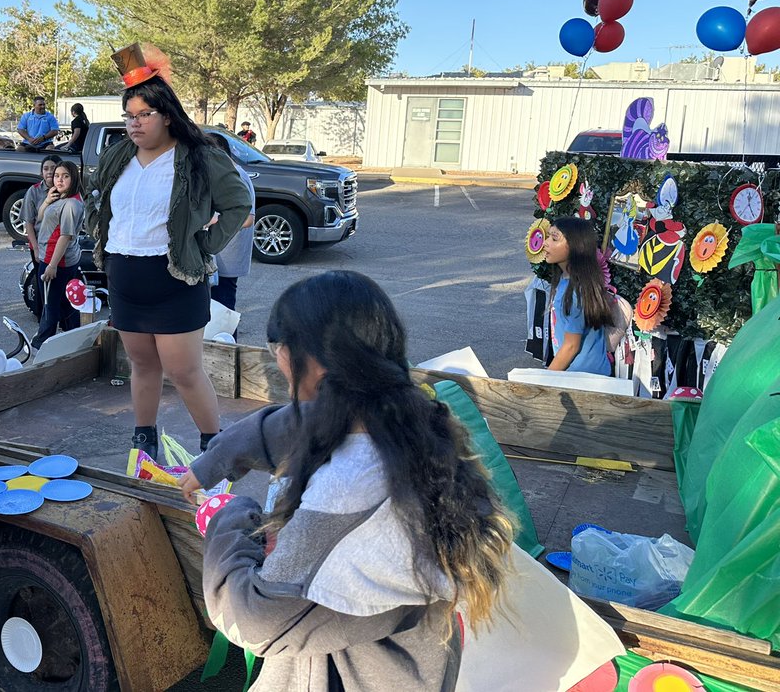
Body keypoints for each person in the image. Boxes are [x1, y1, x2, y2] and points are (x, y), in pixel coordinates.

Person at [179, 271, 513, 691]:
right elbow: (298, 423)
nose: (278, 356)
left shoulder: (344, 499)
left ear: (316, 364)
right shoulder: (403, 417)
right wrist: (216, 460)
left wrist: (231, 519)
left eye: (281, 348)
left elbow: (253, 622)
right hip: (417, 667)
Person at [88, 43, 252, 460]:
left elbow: (238, 204)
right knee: (141, 367)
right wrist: (97, 232)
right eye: (129, 116)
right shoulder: (117, 156)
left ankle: (214, 446)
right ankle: (144, 438)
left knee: (183, 372)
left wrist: (205, 244)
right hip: (124, 277)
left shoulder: (199, 157)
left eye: (144, 115)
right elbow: (98, 199)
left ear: (167, 114)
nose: (135, 124)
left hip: (174, 278)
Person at [542, 217, 614, 375]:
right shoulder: (565, 280)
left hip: (585, 379)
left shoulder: (577, 291)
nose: (546, 243)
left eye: (554, 238)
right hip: (573, 374)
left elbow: (571, 346)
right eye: (548, 236)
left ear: (576, 246)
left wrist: (546, 377)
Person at [31, 160, 84, 349]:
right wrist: (47, 201)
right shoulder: (60, 198)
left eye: (65, 176)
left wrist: (52, 265)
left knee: (50, 304)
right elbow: (39, 218)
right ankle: (74, 339)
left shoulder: (70, 204)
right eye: (57, 175)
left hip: (57, 260)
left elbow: (65, 236)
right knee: (65, 302)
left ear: (74, 178)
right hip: (54, 257)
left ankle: (42, 344)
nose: (59, 179)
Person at [207, 133, 255, 321]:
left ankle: (227, 347)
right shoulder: (225, 175)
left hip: (227, 258)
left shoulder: (237, 176)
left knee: (222, 314)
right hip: (218, 255)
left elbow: (247, 219)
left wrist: (210, 220)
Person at [23, 154, 62, 310]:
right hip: (40, 244)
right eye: (46, 169)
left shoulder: (65, 190)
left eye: (53, 169)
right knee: (42, 283)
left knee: (59, 283)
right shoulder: (34, 191)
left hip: (60, 244)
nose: (50, 172)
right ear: (41, 172)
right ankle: (42, 316)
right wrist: (36, 248)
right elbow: (29, 223)